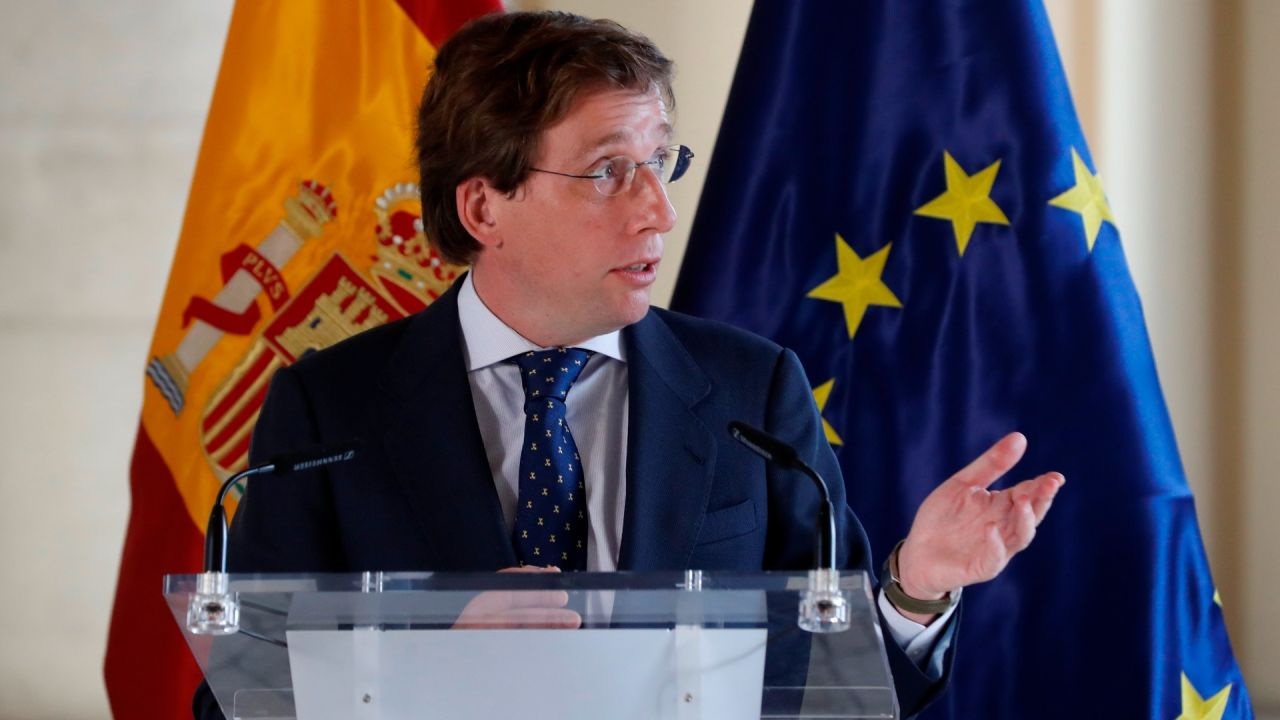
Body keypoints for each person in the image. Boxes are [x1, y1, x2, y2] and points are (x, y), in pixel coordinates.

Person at [197, 10, 1063, 719]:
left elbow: (831, 691)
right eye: (610, 171)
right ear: (484, 208)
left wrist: (914, 590)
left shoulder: (753, 389)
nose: (658, 210)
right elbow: (237, 704)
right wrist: (427, 668)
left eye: (660, 163)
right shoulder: (328, 411)